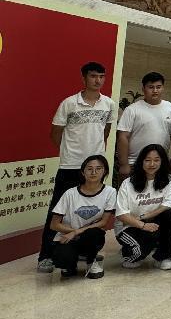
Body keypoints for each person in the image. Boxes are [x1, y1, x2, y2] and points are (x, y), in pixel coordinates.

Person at [38, 61, 114, 273]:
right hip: (71, 165)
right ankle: (45, 256)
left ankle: (83, 250)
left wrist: (96, 158)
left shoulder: (109, 104)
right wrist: (69, 153)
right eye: (93, 76)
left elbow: (105, 131)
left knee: (92, 211)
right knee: (58, 211)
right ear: (84, 78)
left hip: (95, 168)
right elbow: (55, 133)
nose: (97, 80)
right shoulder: (69, 103)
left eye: (101, 76)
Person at [48, 155, 116, 279]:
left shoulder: (110, 192)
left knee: (95, 233)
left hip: (90, 236)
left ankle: (91, 261)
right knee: (62, 260)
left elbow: (103, 222)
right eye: (89, 169)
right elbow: (54, 224)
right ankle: (72, 261)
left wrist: (76, 232)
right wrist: (73, 233)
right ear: (83, 172)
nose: (93, 172)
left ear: (105, 171)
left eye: (98, 169)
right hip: (67, 236)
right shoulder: (70, 193)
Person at [114, 144, 171, 270]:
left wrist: (143, 217)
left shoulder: (168, 180)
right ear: (141, 161)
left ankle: (164, 257)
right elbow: (121, 215)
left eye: (156, 160)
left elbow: (166, 206)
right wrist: (142, 225)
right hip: (129, 225)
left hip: (150, 222)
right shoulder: (128, 183)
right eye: (148, 160)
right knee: (137, 255)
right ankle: (130, 251)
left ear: (162, 162)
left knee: (169, 215)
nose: (152, 164)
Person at [115, 71, 171, 181]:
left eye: (158, 87)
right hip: (134, 164)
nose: (155, 90)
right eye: (151, 87)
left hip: (160, 164)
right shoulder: (132, 109)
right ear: (143, 89)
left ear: (163, 88)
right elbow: (122, 137)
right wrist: (124, 164)